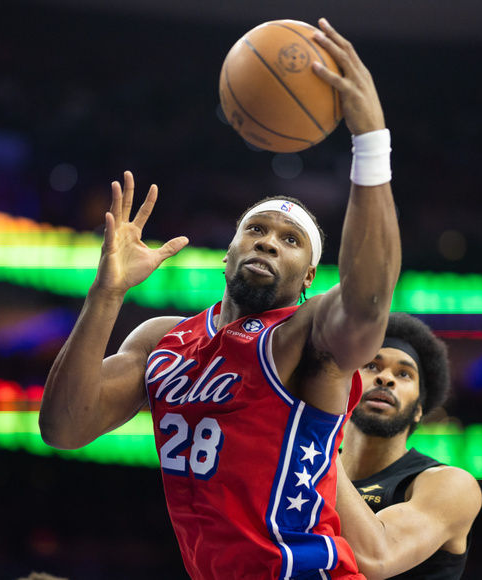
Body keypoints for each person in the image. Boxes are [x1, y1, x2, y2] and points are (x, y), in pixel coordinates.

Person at [39, 18, 400, 580]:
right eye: (255, 230)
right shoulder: (163, 339)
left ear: (308, 277)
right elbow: (64, 428)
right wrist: (105, 294)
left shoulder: (306, 337)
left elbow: (368, 301)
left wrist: (371, 141)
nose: (268, 243)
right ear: (228, 252)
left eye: (290, 241)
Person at [335, 312, 482, 579]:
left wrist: (316, 435)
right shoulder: (306, 467)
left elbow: (377, 557)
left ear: (418, 410)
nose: (385, 379)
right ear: (347, 384)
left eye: (404, 374)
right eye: (371, 366)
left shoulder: (451, 485)